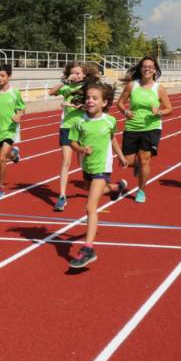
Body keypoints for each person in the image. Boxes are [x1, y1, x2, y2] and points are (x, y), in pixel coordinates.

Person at [68, 81, 128, 268]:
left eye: (95, 98)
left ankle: (88, 249)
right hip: (87, 167)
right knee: (93, 190)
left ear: (104, 102)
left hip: (103, 167)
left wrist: (120, 156)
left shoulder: (110, 121)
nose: (90, 100)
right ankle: (116, 188)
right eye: (88, 97)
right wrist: (81, 149)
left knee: (90, 207)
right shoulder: (79, 121)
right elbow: (73, 143)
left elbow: (112, 138)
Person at [116, 55, 172, 203]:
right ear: (141, 69)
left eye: (150, 67)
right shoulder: (132, 85)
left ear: (155, 70)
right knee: (127, 161)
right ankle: (138, 165)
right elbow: (120, 103)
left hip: (151, 127)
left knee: (145, 159)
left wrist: (159, 112)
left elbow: (169, 108)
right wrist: (125, 111)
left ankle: (141, 191)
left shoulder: (159, 88)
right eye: (144, 66)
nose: (147, 69)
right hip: (132, 126)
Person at [47, 61, 87, 211]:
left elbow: (96, 104)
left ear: (84, 74)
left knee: (83, 163)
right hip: (67, 127)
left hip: (83, 127)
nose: (75, 76)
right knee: (66, 161)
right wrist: (64, 81)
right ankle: (62, 196)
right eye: (72, 73)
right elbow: (51, 92)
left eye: (78, 73)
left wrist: (82, 106)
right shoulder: (66, 87)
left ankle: (99, 185)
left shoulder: (87, 87)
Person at [0, 64, 26, 198]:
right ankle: (14, 154)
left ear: (9, 76)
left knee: (2, 159)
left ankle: (0, 186)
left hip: (10, 129)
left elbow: (22, 108)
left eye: (2, 76)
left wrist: (18, 115)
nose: (0, 78)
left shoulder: (15, 93)